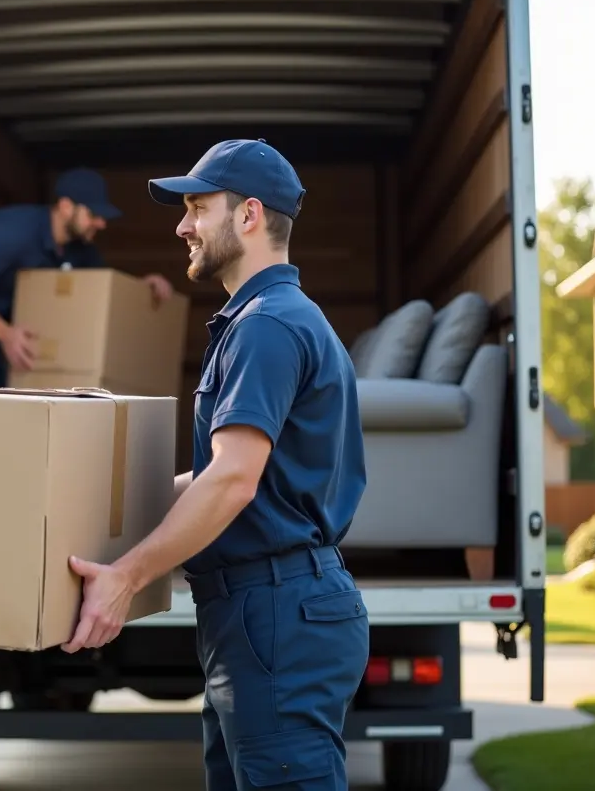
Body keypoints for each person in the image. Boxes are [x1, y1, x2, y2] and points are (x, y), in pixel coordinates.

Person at [61, 139, 370, 790]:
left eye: (197, 207)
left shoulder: (268, 326)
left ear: (249, 215)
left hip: (275, 615)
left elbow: (232, 479)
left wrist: (127, 575)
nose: (181, 226)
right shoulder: (269, 320)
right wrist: (87, 517)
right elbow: (214, 478)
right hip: (260, 616)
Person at [0, 167, 175, 387]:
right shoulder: (12, 231)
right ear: (66, 207)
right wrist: (7, 335)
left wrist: (143, 287)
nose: (101, 224)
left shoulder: (79, 249)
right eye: (93, 214)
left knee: (4, 406)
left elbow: (102, 289)